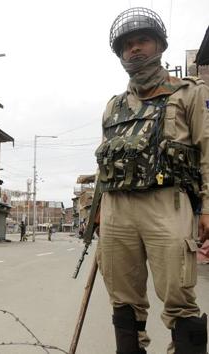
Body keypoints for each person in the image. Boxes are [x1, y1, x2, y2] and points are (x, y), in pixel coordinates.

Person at [95, 8, 209, 353]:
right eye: (127, 45)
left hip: (167, 202)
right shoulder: (113, 107)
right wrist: (98, 209)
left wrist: (206, 208)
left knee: (179, 296)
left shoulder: (188, 93)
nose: (135, 49)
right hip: (116, 209)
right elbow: (105, 162)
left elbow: (207, 150)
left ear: (159, 44)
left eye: (142, 40)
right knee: (123, 298)